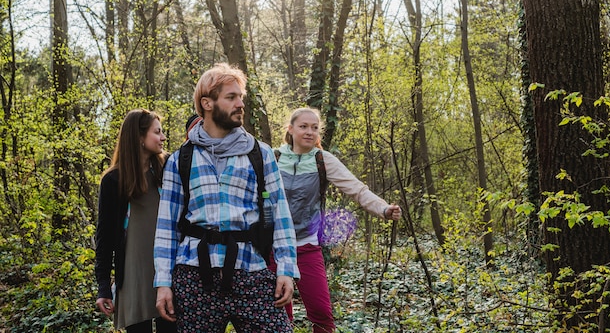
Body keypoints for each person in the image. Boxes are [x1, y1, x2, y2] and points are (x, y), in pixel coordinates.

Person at [153, 63, 300, 333]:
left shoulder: (260, 154)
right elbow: (166, 227)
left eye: (240, 97)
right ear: (207, 103)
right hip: (195, 274)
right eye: (231, 97)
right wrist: (163, 282)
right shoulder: (180, 160)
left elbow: (280, 213)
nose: (240, 104)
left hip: (250, 269)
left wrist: (286, 269)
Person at [272, 107, 402, 333]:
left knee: (322, 316)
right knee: (278, 316)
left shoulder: (323, 160)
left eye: (314, 127)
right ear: (290, 129)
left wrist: (384, 209)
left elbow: (357, 190)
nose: (309, 132)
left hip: (307, 246)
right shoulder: (273, 158)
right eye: (303, 126)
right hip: (273, 247)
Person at [95, 109, 176, 333]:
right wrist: (103, 286)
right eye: (157, 132)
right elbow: (105, 237)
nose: (163, 137)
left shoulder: (168, 169)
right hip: (133, 275)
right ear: (140, 137)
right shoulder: (114, 180)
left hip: (168, 272)